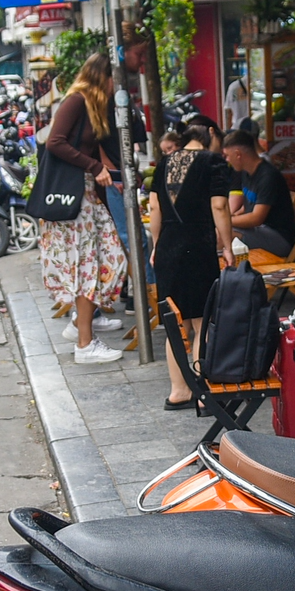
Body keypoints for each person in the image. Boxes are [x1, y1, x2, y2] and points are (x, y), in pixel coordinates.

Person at [40, 53, 130, 365]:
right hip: (74, 196)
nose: (114, 86)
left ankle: (83, 321)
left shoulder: (94, 106)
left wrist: (106, 170)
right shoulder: (77, 100)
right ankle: (84, 342)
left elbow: (93, 145)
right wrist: (94, 166)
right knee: (89, 264)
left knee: (109, 258)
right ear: (101, 77)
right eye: (112, 80)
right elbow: (55, 142)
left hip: (87, 195)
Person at [148, 124, 234, 409]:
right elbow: (219, 206)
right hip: (197, 247)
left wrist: (157, 245)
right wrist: (228, 245)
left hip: (168, 247)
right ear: (209, 135)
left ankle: (178, 391)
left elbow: (154, 208)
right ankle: (203, 396)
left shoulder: (164, 163)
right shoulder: (213, 161)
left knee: (175, 321)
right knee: (201, 323)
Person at [221, 129, 295, 256]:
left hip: (279, 239)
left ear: (238, 154)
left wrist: (225, 220)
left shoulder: (268, 176)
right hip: (258, 231)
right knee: (220, 230)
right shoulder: (246, 172)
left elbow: (256, 218)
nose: (227, 160)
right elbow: (248, 205)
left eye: (227, 155)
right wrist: (233, 216)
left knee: (222, 234)